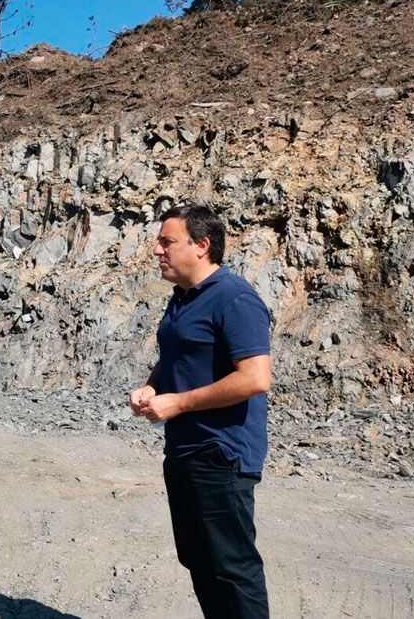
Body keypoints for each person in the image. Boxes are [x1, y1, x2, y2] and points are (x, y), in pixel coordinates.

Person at [129, 205, 272, 618]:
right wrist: (154, 386)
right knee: (200, 562)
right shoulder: (182, 299)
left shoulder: (235, 298)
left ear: (202, 246)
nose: (157, 250)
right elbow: (177, 357)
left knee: (232, 568)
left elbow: (255, 378)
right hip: (184, 450)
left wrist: (179, 402)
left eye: (167, 242)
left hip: (221, 455)